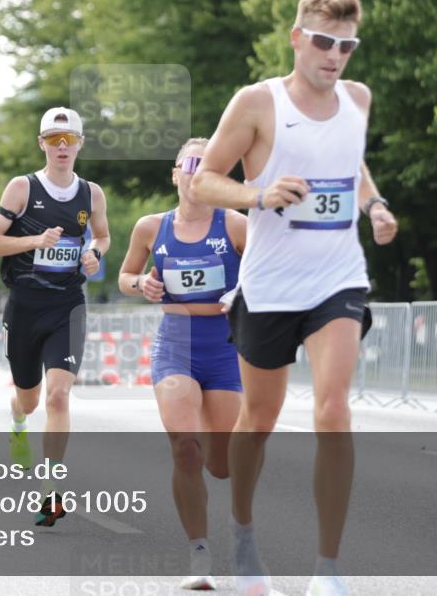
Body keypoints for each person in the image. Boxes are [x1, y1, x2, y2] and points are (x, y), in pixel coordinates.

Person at [190, 0, 398, 596]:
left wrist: (376, 205)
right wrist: (256, 195)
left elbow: (351, 166)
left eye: (347, 45)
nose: (336, 56)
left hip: (338, 278)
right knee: (259, 418)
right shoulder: (258, 102)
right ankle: (244, 534)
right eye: (325, 42)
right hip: (270, 284)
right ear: (297, 38)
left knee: (333, 409)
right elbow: (205, 182)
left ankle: (328, 568)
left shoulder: (358, 99)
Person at [118, 138, 246, 590]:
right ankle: (199, 551)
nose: (195, 172)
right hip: (175, 342)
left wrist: (240, 295)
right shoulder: (151, 228)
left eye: (206, 164)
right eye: (189, 164)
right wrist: (141, 285)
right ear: (175, 173)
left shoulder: (235, 225)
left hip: (226, 347)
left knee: (222, 462)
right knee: (185, 448)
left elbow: (266, 272)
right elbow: (126, 276)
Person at [0, 107, 110, 526]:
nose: (61, 147)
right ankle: (18, 419)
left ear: (79, 144)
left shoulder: (91, 193)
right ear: (41, 144)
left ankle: (52, 491)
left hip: (67, 306)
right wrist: (36, 239)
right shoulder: (22, 188)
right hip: (25, 304)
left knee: (58, 396)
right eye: (53, 140)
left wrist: (93, 253)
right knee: (30, 397)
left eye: (68, 139)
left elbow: (103, 235)